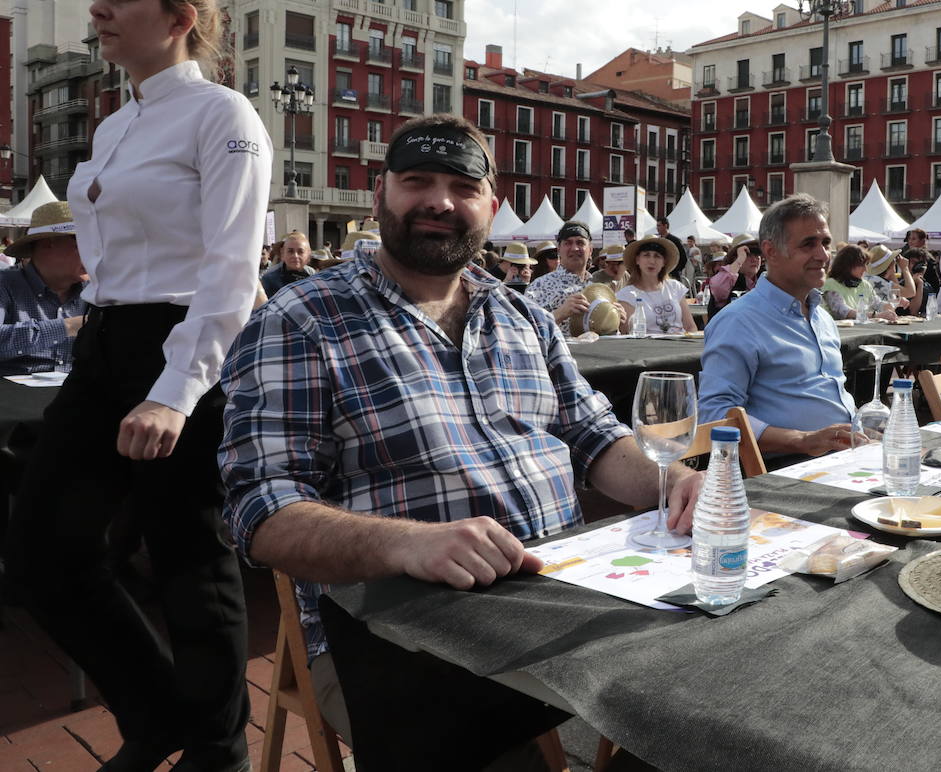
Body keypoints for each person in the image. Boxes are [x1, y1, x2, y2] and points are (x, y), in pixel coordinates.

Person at [218, 114, 702, 759]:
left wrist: (675, 482)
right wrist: (408, 545)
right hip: (403, 631)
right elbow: (261, 509)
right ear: (380, 195)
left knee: (715, 698)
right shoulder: (300, 320)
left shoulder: (523, 316)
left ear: (490, 207)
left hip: (565, 596)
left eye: (462, 186)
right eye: (418, 180)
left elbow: (592, 435)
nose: (440, 200)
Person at [6, 0, 269, 772]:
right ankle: (159, 717)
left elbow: (233, 269)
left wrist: (177, 387)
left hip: (185, 339)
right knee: (43, 553)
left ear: (179, 18)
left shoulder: (224, 115)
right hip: (109, 338)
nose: (100, 10)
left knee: (191, 560)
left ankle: (218, 754)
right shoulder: (116, 122)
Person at [699, 195, 857, 462]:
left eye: (826, 243)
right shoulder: (738, 321)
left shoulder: (822, 318)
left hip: (843, 460)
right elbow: (714, 415)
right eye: (808, 244)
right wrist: (802, 440)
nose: (823, 255)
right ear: (770, 251)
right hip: (786, 472)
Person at [0, 201, 88, 374]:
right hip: (12, 397)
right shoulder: (4, 284)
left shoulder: (98, 291)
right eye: (85, 243)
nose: (95, 252)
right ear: (49, 243)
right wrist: (68, 326)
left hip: (78, 395)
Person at [526, 222, 600, 333]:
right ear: (559, 249)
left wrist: (617, 322)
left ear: (590, 250)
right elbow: (526, 331)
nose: (574, 248)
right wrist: (560, 314)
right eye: (568, 243)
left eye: (580, 243)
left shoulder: (598, 289)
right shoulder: (539, 286)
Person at [616, 237, 693, 334]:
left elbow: (690, 326)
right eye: (646, 255)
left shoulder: (675, 287)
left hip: (680, 345)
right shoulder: (627, 295)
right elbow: (627, 333)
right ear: (637, 260)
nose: (652, 261)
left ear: (664, 262)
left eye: (657, 256)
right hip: (646, 347)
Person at [820, 244, 888, 321]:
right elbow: (842, 311)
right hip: (841, 331)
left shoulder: (865, 285)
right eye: (861, 265)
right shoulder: (830, 284)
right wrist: (875, 315)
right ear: (848, 265)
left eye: (866, 264)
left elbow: (878, 304)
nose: (865, 269)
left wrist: (893, 304)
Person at [707, 232, 762, 318]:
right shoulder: (728, 280)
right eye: (747, 254)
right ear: (734, 258)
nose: (754, 259)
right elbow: (718, 288)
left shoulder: (765, 279)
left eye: (757, 254)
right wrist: (739, 260)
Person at [866, 244, 920, 315]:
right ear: (890, 265)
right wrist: (905, 268)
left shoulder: (876, 278)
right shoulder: (878, 280)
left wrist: (891, 270)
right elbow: (911, 292)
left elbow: (896, 291)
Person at [259, 231, 315, 297]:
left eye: (300, 251)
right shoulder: (270, 278)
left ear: (308, 256)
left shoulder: (313, 275)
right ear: (282, 253)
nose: (295, 256)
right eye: (290, 251)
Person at [901, 227, 940, 314]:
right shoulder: (905, 256)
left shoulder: (929, 260)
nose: (910, 241)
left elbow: (935, 285)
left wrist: (919, 283)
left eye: (914, 239)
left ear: (922, 241)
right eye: (909, 238)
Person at [654, 215, 689, 284]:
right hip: (660, 275)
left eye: (659, 226)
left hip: (673, 276)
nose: (657, 228)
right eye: (657, 226)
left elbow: (683, 258)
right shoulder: (658, 240)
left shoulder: (675, 240)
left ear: (665, 226)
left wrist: (675, 269)